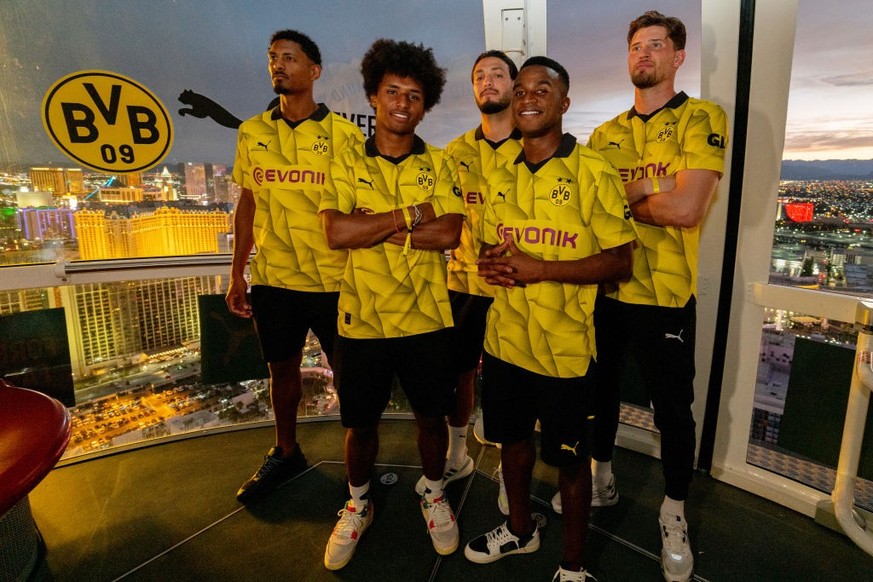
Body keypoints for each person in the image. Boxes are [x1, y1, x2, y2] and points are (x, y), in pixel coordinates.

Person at [464, 56, 637, 582]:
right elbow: (495, 250)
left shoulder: (594, 172)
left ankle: (574, 566)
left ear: (563, 103)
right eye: (519, 90)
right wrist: (490, 262)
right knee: (513, 446)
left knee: (568, 461)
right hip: (505, 343)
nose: (527, 97)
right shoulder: (497, 174)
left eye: (542, 89)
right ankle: (520, 530)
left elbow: (621, 262)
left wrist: (542, 269)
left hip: (565, 351)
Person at [573, 10, 728, 582]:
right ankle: (603, 478)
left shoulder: (702, 117)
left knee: (672, 412)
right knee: (602, 396)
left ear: (678, 56)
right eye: (636, 46)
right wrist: (654, 186)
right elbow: (592, 216)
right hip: (609, 290)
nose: (643, 54)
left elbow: (688, 210)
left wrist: (627, 191)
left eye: (656, 45)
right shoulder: (604, 135)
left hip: (665, 297)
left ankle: (674, 512)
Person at [319, 38, 465, 570]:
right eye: (393, 92)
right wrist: (409, 216)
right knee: (360, 425)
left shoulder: (442, 163)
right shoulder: (344, 159)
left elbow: (449, 232)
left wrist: (372, 225)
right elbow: (337, 231)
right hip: (361, 320)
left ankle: (432, 491)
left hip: (428, 318)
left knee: (432, 419)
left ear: (426, 105)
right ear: (374, 96)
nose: (403, 103)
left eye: (415, 95)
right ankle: (357, 504)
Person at [226, 29, 364, 504]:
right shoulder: (252, 132)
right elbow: (247, 204)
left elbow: (358, 209)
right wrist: (236, 272)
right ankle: (286, 452)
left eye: (289, 58)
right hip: (274, 280)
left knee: (349, 375)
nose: (278, 66)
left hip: (333, 281)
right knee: (280, 371)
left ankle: (359, 472)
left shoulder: (344, 136)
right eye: (272, 58)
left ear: (314, 71)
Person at [413, 50, 522, 513]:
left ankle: (506, 468)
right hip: (461, 283)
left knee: (508, 380)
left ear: (514, 86)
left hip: (517, 287)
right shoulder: (455, 152)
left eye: (498, 73)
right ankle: (457, 456)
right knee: (459, 375)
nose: (488, 81)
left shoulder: (534, 144)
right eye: (479, 75)